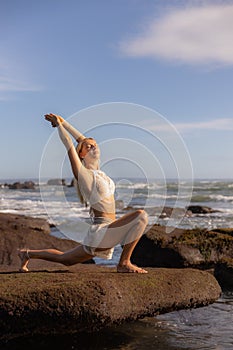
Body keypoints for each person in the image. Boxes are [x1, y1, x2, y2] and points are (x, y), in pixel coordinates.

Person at [18, 113, 148, 273]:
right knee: (141, 216)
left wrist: (65, 122)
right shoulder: (84, 175)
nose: (94, 146)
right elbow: (69, 144)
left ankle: (27, 254)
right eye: (89, 147)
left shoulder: (99, 172)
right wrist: (59, 126)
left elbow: (83, 140)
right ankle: (124, 263)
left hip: (108, 231)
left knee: (65, 259)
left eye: (95, 145)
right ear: (81, 154)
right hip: (102, 231)